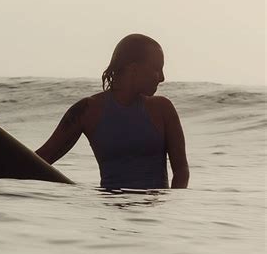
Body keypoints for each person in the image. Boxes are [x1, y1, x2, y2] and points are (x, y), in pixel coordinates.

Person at [35, 34, 189, 190]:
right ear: (134, 69)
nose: (162, 78)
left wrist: (170, 207)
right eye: (157, 69)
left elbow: (181, 171)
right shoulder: (88, 110)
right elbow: (42, 158)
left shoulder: (163, 108)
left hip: (154, 213)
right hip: (110, 211)